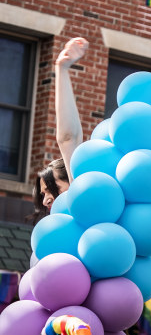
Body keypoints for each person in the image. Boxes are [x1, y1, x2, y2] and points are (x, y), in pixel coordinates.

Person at [31, 37, 88, 221]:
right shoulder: (49, 230)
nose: (46, 199)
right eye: (43, 194)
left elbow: (68, 139)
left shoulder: (83, 204)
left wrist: (61, 68)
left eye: (52, 188)